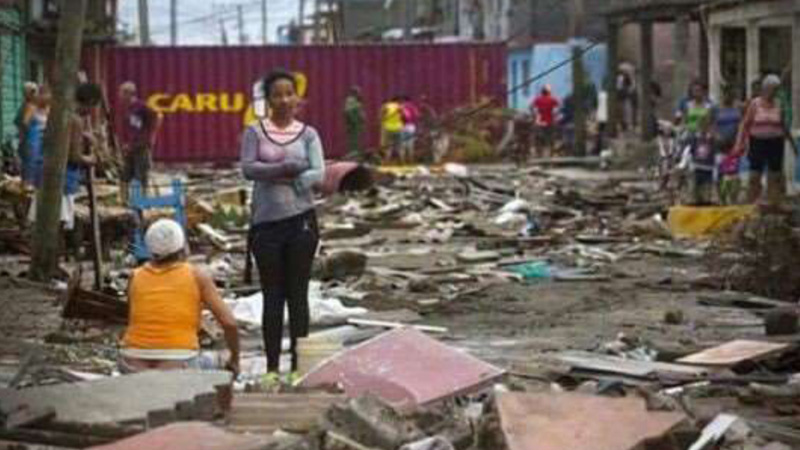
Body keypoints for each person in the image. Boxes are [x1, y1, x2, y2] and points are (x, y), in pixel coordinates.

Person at [240, 69, 325, 387]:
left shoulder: (308, 134)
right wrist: (285, 168)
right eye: (278, 94)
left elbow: (318, 172)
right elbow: (248, 168)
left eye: (290, 93)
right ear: (268, 99)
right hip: (266, 226)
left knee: (298, 296)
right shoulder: (255, 132)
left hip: (301, 221)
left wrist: (300, 177)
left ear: (297, 98)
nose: (285, 99)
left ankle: (299, 367)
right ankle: (272, 368)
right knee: (272, 298)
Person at [121, 219, 240, 375]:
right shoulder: (197, 275)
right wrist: (235, 360)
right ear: (182, 247)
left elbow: (133, 316)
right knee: (221, 362)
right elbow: (229, 323)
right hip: (179, 362)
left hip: (131, 361)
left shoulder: (135, 276)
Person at [734, 74, 789, 206]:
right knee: (755, 174)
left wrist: (792, 144)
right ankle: (751, 202)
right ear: (765, 89)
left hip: (776, 141)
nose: (774, 92)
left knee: (775, 175)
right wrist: (739, 143)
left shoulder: (779, 104)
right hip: (757, 141)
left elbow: (783, 125)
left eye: (776, 89)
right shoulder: (755, 103)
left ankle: (773, 202)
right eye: (772, 89)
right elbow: (745, 124)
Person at [118, 82, 159, 199]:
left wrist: (151, 138)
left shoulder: (141, 106)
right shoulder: (128, 109)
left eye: (121, 93)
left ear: (129, 93)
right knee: (125, 174)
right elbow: (131, 129)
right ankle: (124, 201)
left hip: (141, 146)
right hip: (131, 147)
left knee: (141, 174)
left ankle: (143, 200)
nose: (119, 95)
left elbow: (157, 117)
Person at [680, 114, 717, 205]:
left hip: (708, 168)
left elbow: (715, 154)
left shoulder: (712, 139)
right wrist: (684, 164)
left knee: (706, 192)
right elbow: (688, 151)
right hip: (696, 167)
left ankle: (705, 204)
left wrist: (716, 168)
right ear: (699, 127)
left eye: (707, 126)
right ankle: (693, 204)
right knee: (694, 191)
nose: (704, 128)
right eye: (702, 126)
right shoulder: (694, 138)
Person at [14, 82, 38, 181]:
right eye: (33, 92)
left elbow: (17, 122)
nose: (35, 94)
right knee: (30, 169)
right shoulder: (30, 106)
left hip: (26, 141)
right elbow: (24, 123)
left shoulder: (25, 105)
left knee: (27, 168)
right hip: (30, 140)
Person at [531, 86, 559, 157]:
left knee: (539, 139)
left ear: (542, 92)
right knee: (551, 140)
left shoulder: (537, 100)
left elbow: (532, 109)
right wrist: (555, 118)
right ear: (549, 92)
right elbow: (556, 111)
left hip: (540, 123)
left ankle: (539, 155)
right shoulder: (553, 100)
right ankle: (551, 155)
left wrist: (535, 117)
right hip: (550, 122)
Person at [343, 86, 365, 158]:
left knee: (357, 139)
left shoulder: (356, 100)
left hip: (357, 124)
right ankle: (353, 154)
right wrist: (354, 121)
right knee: (353, 139)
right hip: (354, 124)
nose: (359, 94)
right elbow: (348, 111)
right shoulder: (351, 100)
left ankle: (356, 153)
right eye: (358, 92)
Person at [380, 97, 404, 163]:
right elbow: (403, 117)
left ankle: (386, 161)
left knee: (387, 146)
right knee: (399, 145)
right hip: (398, 128)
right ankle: (401, 161)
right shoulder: (400, 107)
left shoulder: (385, 106)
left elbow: (381, 117)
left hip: (388, 128)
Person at [399, 95, 420, 165]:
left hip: (402, 126)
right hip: (411, 126)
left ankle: (402, 161)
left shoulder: (401, 106)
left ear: (404, 100)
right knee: (410, 144)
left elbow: (401, 116)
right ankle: (411, 160)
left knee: (402, 144)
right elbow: (417, 115)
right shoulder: (413, 107)